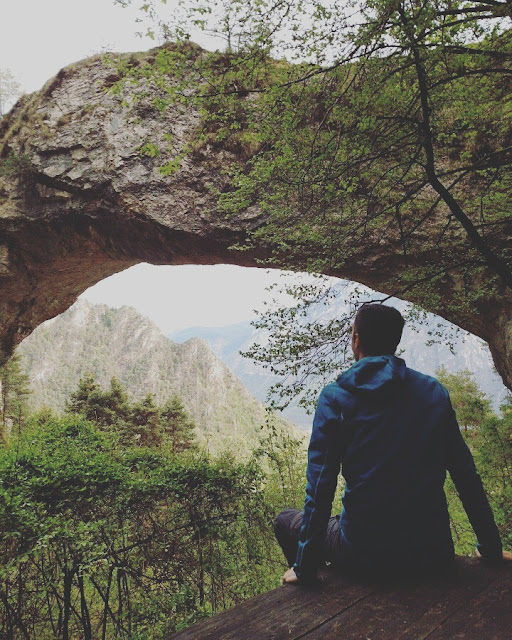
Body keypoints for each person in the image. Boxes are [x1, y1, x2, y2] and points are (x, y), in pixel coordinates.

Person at [275, 304, 509, 585]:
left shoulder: (336, 398)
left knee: (285, 520)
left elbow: (320, 488)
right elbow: (465, 475)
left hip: (364, 554)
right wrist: (492, 549)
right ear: (395, 343)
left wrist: (305, 565)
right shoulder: (433, 392)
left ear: (356, 339)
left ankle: (310, 582)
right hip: (432, 553)